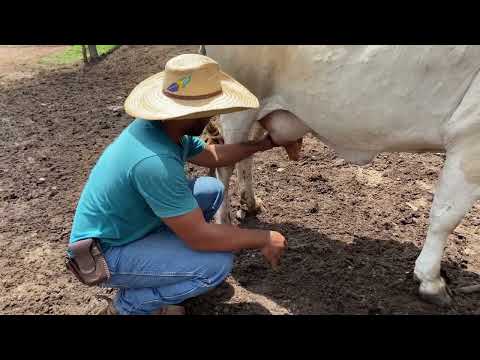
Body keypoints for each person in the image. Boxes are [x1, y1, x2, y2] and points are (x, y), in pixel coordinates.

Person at [68, 53, 288, 315]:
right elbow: (200, 236)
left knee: (211, 189)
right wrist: (264, 237)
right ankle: (128, 306)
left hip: (127, 230)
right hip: (103, 256)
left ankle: (159, 271)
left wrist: (265, 144)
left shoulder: (163, 130)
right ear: (190, 113)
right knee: (215, 264)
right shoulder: (154, 161)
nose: (214, 115)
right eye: (209, 109)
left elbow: (213, 156)